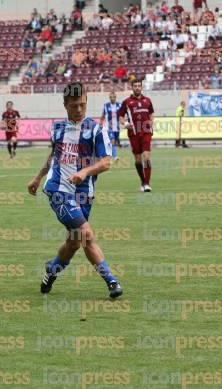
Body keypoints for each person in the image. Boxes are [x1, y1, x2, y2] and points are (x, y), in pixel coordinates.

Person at [27, 82, 122, 299]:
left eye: (82, 105)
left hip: (84, 193)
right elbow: (53, 157)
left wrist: (85, 172)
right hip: (58, 190)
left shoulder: (97, 130)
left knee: (73, 243)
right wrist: (38, 177)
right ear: (65, 105)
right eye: (74, 106)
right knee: (87, 234)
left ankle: (51, 271)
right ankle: (112, 282)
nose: (79, 110)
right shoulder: (58, 128)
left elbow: (106, 162)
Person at [118, 79, 155, 192]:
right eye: (135, 86)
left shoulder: (147, 100)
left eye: (139, 86)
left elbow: (152, 114)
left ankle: (147, 183)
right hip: (133, 133)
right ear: (132, 87)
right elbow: (120, 116)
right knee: (138, 160)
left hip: (146, 132)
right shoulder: (127, 102)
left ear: (141, 87)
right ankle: (143, 181)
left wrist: (151, 123)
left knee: (146, 157)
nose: (137, 88)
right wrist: (125, 123)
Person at [100, 92, 122, 158]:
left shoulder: (119, 105)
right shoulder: (106, 106)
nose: (112, 98)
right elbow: (103, 116)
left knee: (115, 142)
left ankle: (108, 153)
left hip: (117, 127)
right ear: (109, 98)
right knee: (112, 141)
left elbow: (122, 115)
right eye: (111, 97)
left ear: (116, 97)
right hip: (109, 127)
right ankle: (115, 157)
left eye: (114, 97)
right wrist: (100, 124)